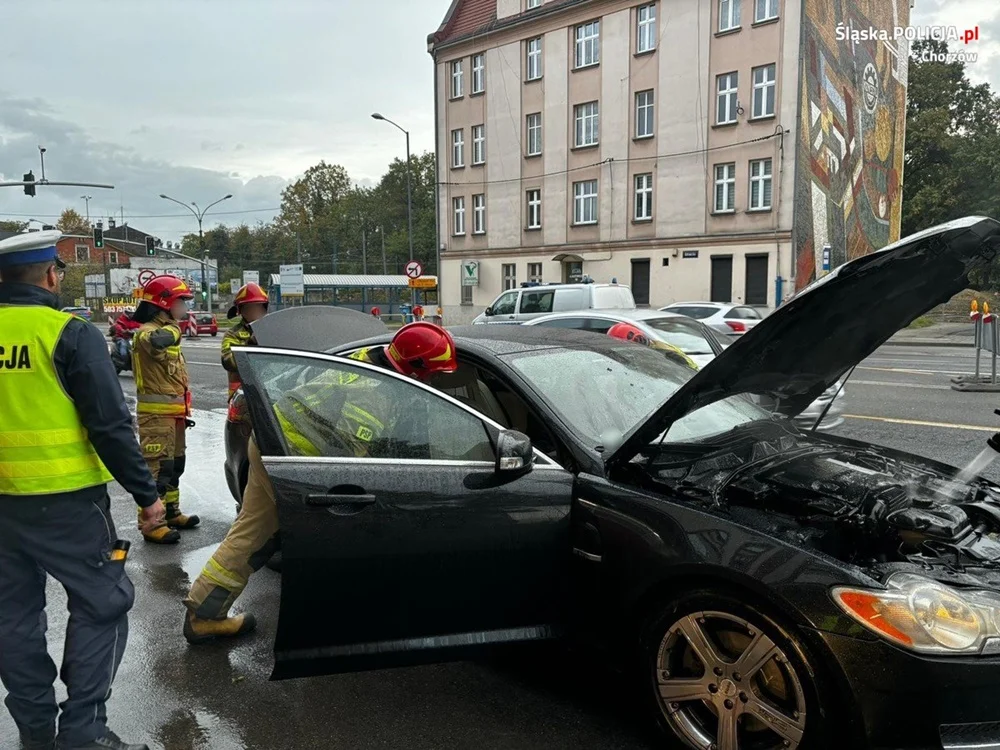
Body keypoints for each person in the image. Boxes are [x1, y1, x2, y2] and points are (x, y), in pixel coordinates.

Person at [182, 321, 458, 643]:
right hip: (292, 455)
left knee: (250, 532)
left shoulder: (368, 359)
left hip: (271, 441)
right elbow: (351, 458)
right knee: (269, 537)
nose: (434, 381)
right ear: (416, 366)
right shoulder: (374, 393)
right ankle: (209, 617)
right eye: (433, 374)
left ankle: (204, 613)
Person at [0, 230, 161, 750]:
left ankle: (34, 734)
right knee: (102, 603)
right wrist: (147, 495)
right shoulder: (67, 333)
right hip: (67, 503)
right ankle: (83, 734)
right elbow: (111, 426)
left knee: (11, 619)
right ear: (51, 275)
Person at [131, 275, 200, 544]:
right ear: (164, 303)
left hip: (174, 416)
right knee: (156, 470)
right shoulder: (147, 333)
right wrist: (176, 329)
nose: (184, 308)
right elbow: (158, 340)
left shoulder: (168, 330)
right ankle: (151, 524)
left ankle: (171, 513)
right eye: (181, 302)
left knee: (174, 467)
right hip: (155, 418)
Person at [221, 282, 269, 400]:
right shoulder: (233, 334)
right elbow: (228, 361)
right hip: (242, 396)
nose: (256, 311)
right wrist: (251, 345)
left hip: (269, 391)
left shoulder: (271, 330)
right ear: (242, 310)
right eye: (251, 307)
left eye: (259, 306)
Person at [606, 322, 699, 370]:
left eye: (638, 340)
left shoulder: (661, 350)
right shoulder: (656, 347)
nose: (639, 341)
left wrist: (684, 365)